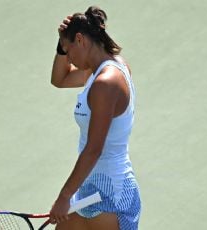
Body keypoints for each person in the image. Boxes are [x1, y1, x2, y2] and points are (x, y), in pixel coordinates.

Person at [49, 6, 141, 230]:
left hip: (112, 197)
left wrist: (64, 196)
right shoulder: (97, 70)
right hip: (87, 192)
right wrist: (61, 46)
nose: (68, 58)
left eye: (68, 51)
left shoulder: (106, 83)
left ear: (80, 39)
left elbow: (94, 149)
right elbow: (59, 79)